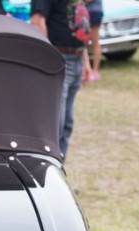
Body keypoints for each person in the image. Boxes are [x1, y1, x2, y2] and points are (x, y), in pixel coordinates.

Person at [30, 0, 92, 159]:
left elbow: (80, 25)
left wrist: (85, 60)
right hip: (60, 58)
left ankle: (59, 171)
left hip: (76, 57)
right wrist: (48, 58)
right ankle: (48, 172)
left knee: (67, 123)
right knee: (56, 124)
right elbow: (37, 22)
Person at [87, 0, 103, 81]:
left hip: (92, 11)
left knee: (94, 42)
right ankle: (92, 70)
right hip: (93, 10)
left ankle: (95, 71)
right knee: (93, 42)